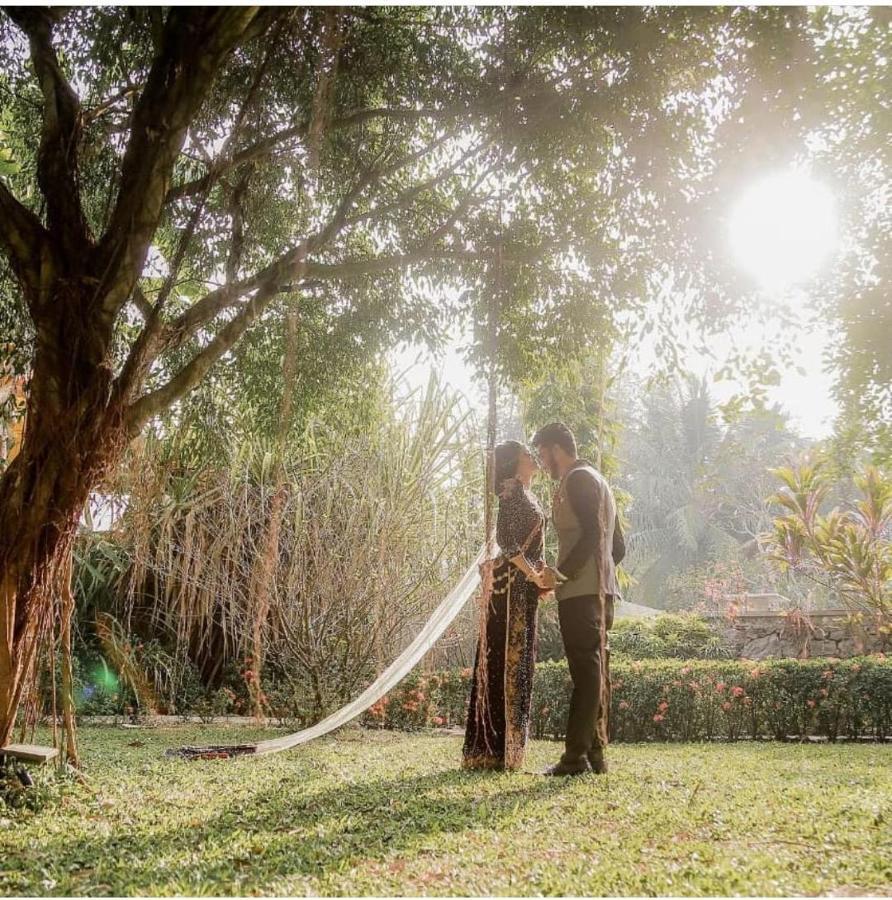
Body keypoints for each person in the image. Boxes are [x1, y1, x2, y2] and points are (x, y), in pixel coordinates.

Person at [532, 422, 625, 776]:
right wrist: (599, 575)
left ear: (557, 449)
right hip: (599, 591)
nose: (543, 463)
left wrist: (561, 573)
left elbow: (593, 535)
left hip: (582, 593)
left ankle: (574, 759)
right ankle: (595, 756)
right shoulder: (600, 481)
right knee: (595, 672)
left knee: (586, 673)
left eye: (543, 455)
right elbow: (617, 547)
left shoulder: (578, 480)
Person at [463, 440, 548, 771]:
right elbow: (509, 544)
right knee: (505, 660)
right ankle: (492, 750)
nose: (534, 457)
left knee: (520, 659)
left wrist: (540, 575)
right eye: (529, 454)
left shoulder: (528, 494)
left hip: (524, 589)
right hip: (511, 590)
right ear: (516, 462)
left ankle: (510, 751)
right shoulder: (512, 493)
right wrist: (535, 575)